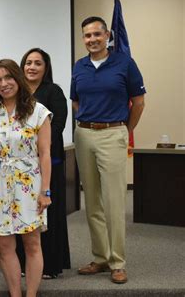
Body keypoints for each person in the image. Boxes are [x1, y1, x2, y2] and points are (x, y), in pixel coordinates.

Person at [71, 16, 146, 284]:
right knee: (91, 200)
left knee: (114, 201)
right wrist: (88, 125)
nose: (92, 39)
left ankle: (118, 262)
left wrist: (124, 129)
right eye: (87, 36)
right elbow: (76, 102)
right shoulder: (79, 66)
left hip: (113, 132)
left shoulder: (124, 63)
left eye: (96, 34)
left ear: (107, 36)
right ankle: (100, 258)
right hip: (84, 134)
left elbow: (138, 102)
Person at [0, 59, 52, 297]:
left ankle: (31, 294)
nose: (4, 84)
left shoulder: (38, 111)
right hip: (0, 184)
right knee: (4, 245)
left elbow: (45, 153)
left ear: (18, 78)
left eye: (8, 77)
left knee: (32, 243)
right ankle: (15, 293)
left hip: (30, 184)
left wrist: (46, 191)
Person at [15, 48, 71, 279]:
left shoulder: (53, 91)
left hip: (48, 161)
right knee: (23, 213)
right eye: (28, 62)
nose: (32, 67)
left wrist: (34, 146)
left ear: (45, 68)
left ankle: (49, 265)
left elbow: (57, 128)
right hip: (21, 165)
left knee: (46, 213)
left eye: (38, 63)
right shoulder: (15, 92)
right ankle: (22, 263)